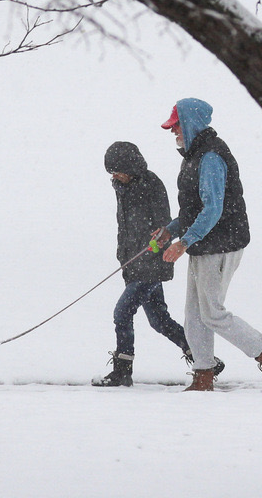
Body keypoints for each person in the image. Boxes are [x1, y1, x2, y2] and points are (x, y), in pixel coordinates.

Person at [157, 98, 262, 392]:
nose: (172, 131)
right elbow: (194, 208)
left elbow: (213, 209)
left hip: (221, 244)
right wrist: (170, 231)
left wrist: (184, 242)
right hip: (205, 244)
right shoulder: (193, 155)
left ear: (190, 123)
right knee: (194, 315)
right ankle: (203, 375)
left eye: (175, 125)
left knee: (212, 313)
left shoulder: (211, 157)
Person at [93, 141, 223, 387]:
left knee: (122, 313)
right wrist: (125, 257)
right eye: (111, 172)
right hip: (133, 264)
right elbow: (127, 227)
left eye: (117, 170)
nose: (114, 176)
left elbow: (163, 226)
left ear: (130, 166)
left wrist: (151, 251)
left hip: (151, 263)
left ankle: (123, 371)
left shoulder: (150, 185)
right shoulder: (122, 187)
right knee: (159, 320)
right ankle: (203, 358)